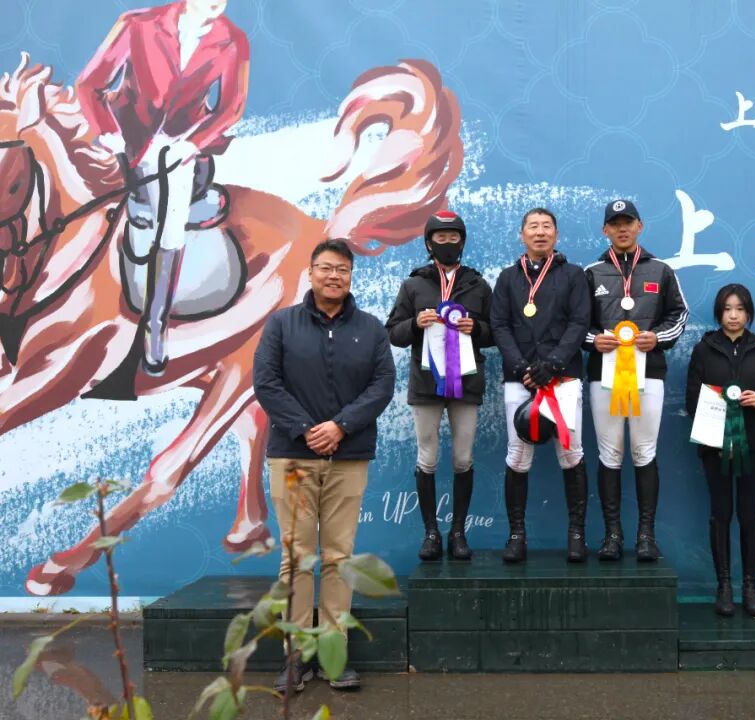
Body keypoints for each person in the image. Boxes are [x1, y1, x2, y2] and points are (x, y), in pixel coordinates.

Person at [76, 0, 250, 374]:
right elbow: (89, 84)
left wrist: (193, 144)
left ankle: (155, 324)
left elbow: (231, 107)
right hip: (123, 137)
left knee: (169, 225)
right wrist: (107, 131)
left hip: (177, 147)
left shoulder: (233, 41)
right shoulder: (137, 24)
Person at [253, 239, 395, 692]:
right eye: (326, 268)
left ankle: (334, 656)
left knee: (338, 557)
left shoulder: (371, 329)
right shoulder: (281, 324)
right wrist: (305, 429)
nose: (334, 276)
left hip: (347, 458)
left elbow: (382, 385)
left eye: (343, 270)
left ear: (351, 276)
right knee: (296, 559)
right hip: (293, 456)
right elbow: (266, 382)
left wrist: (341, 426)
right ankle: (296, 658)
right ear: (311, 272)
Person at [385, 211, 493, 561]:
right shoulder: (413, 285)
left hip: (466, 382)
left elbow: (496, 331)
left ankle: (458, 532)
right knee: (427, 457)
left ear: (463, 241)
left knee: (463, 458)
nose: (447, 243)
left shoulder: (478, 285)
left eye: (453, 237)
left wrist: (477, 328)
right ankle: (431, 533)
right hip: (426, 383)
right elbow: (393, 333)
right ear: (429, 243)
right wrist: (415, 323)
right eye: (440, 237)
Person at [583, 200, 687, 562]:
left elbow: (679, 314)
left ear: (640, 226)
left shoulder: (661, 270)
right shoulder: (592, 272)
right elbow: (577, 323)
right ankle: (612, 536)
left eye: (628, 222)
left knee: (644, 451)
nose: (622, 229)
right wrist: (593, 340)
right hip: (603, 374)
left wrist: (657, 337)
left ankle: (646, 536)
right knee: (609, 453)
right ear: (605, 231)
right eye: (615, 224)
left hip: (649, 373)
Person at [490, 208, 591, 563]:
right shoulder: (507, 278)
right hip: (519, 378)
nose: (540, 232)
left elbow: (580, 322)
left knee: (571, 453)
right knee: (518, 456)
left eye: (547, 226)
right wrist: (522, 367)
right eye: (533, 226)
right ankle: (517, 535)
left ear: (556, 235)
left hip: (562, 377)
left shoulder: (573, 275)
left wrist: (553, 364)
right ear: (522, 235)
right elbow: (499, 325)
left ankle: (576, 535)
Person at [685, 284, 755, 617]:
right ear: (719, 313)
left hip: (753, 444)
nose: (734, 315)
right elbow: (691, 400)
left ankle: (750, 588)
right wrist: (716, 405)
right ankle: (723, 586)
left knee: (749, 516)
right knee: (720, 513)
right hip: (714, 444)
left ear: (749, 312)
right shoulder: (704, 349)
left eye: (740, 309)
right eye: (727, 309)